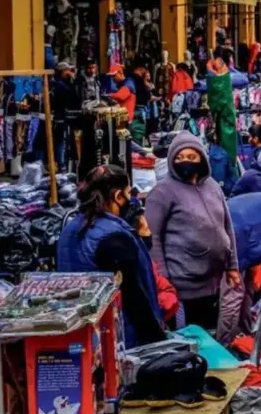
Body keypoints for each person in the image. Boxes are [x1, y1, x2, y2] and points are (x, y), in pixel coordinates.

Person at [58, 165, 167, 347]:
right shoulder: (114, 237)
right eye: (127, 194)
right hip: (117, 339)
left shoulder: (70, 229)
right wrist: (157, 341)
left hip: (80, 331)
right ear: (118, 196)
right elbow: (135, 299)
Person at [144, 132, 240, 330]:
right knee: (190, 340)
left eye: (190, 157)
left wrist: (233, 266)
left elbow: (227, 227)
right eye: (179, 158)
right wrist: (164, 280)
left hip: (214, 284)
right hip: (183, 289)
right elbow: (152, 239)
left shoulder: (212, 186)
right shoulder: (162, 192)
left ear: (201, 159)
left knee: (211, 336)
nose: (185, 162)